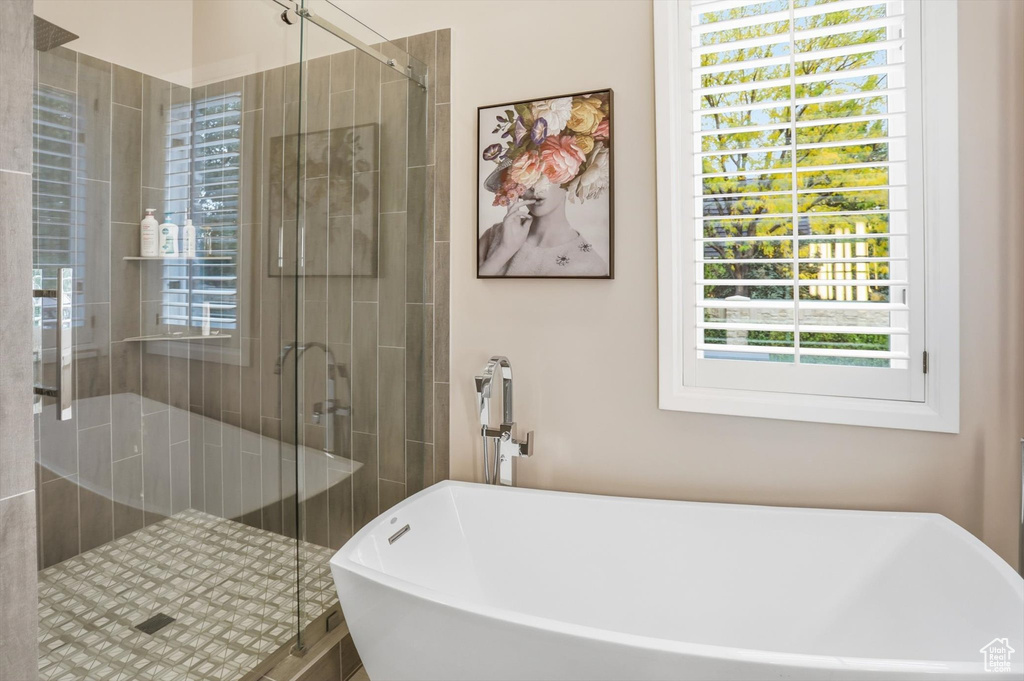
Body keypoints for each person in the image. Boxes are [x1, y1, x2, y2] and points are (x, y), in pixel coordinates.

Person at [478, 183, 607, 277]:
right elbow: (467, 296)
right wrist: (504, 250)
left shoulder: (590, 265)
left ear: (569, 179)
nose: (534, 187)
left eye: (547, 174)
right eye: (527, 176)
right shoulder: (493, 236)